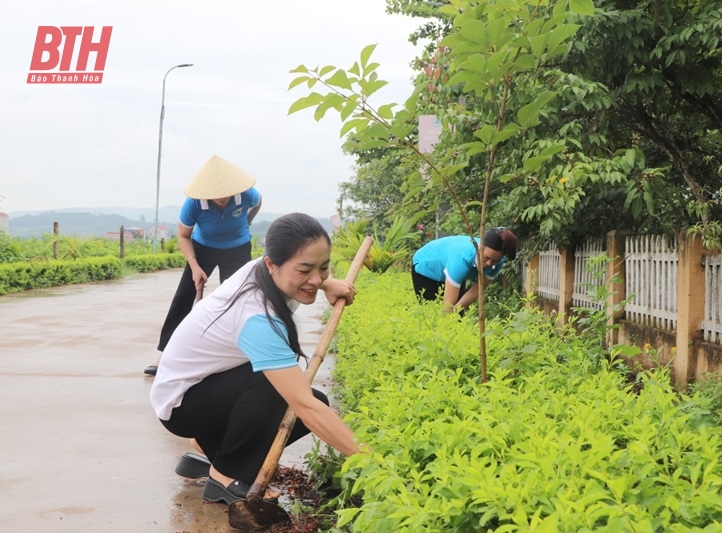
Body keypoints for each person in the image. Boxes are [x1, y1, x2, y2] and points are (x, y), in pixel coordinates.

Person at [150, 212, 362, 505]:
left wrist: (327, 284)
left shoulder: (259, 270)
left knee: (310, 400)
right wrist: (373, 461)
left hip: (194, 388)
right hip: (182, 405)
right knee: (289, 394)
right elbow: (305, 406)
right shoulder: (257, 317)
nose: (315, 278)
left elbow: (303, 274)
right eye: (304, 271)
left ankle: (205, 449)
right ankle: (225, 475)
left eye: (323, 267)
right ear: (271, 264)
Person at [144, 155, 263, 376]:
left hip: (237, 248)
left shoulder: (247, 195)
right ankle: (166, 355)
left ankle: (239, 354)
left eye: (225, 191)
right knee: (183, 298)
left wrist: (247, 221)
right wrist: (195, 266)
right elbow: (183, 236)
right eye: (215, 193)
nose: (221, 197)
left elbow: (258, 202)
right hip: (202, 248)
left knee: (240, 299)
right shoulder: (193, 204)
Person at [411, 227, 519, 313]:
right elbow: (448, 304)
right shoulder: (462, 257)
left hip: (452, 270)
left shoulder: (499, 261)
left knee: (458, 316)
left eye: (495, 260)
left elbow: (476, 290)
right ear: (480, 247)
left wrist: (454, 313)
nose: (490, 264)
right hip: (427, 267)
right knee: (431, 314)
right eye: (486, 258)